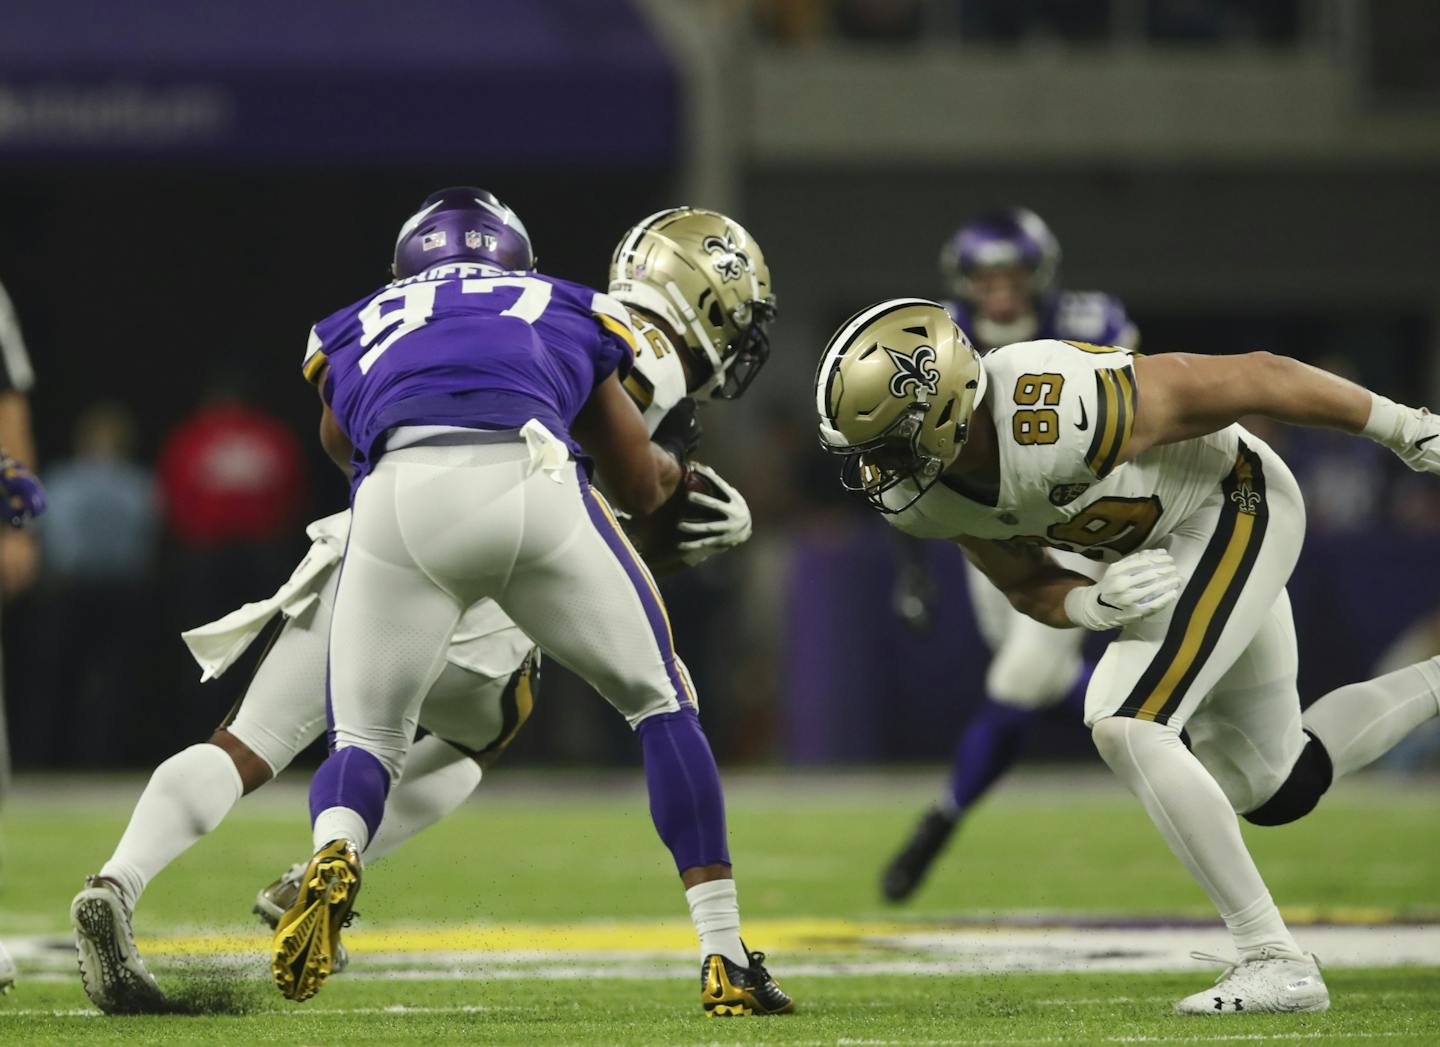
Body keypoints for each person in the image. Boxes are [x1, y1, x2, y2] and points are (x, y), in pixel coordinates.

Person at [71, 195, 789, 1018]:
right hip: (525, 509)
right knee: (557, 712)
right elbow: (616, 485)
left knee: (258, 742)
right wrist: (680, 495)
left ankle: (128, 881)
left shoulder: (364, 317)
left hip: (382, 522)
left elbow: (345, 444)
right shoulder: (584, 314)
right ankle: (724, 953)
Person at [815, 297, 1440, 1014]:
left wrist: (1408, 430)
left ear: (951, 408)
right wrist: (1088, 604)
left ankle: (1275, 959)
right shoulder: (923, 499)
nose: (877, 472)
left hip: (1233, 501)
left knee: (1124, 717)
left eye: (891, 445)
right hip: (1166, 549)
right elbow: (1023, 579)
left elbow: (1260, 377)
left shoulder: (1055, 405)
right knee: (1275, 784)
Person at [883, 208, 1139, 901]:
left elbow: (1138, 417)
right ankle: (1168, 720)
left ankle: (939, 822)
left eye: (1012, 273)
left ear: (1038, 274)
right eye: (986, 275)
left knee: (1021, 679)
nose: (999, 289)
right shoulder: (937, 337)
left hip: (1076, 520)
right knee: (1041, 681)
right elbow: (899, 460)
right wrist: (911, 568)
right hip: (989, 525)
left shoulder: (1091, 322)